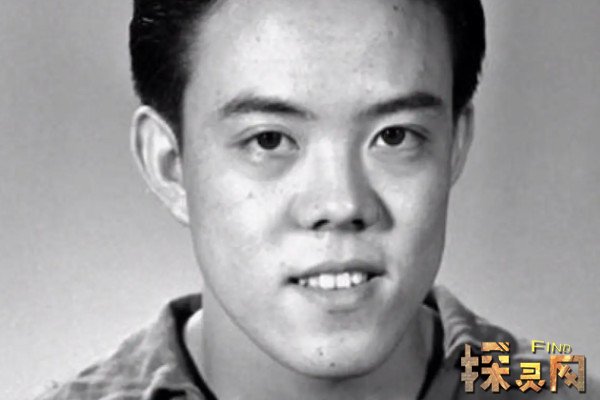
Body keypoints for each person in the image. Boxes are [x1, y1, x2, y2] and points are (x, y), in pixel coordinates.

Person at [36, 0, 592, 399]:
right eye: (268, 140)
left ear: (454, 145)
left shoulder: (560, 386)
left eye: (394, 136)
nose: (341, 203)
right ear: (169, 164)